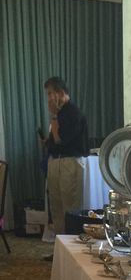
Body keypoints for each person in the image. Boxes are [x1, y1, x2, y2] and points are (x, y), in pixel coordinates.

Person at [43, 77, 89, 241]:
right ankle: (59, 248)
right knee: (56, 207)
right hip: (56, 161)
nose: (48, 99)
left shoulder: (73, 113)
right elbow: (54, 141)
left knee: (69, 208)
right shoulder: (60, 113)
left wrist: (54, 117)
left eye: (50, 94)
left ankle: (70, 247)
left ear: (61, 93)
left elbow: (60, 139)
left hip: (70, 163)